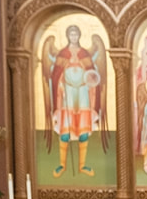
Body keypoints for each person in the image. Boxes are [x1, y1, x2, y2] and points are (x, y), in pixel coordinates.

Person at [45, 24, 104, 177]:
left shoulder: (84, 53)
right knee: (65, 131)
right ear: (67, 36)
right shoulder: (62, 53)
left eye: (76, 34)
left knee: (83, 130)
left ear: (79, 36)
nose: (73, 37)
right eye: (71, 34)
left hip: (83, 93)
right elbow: (55, 75)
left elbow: (92, 73)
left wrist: (90, 83)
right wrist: (60, 85)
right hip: (67, 94)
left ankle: (82, 165)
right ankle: (62, 165)